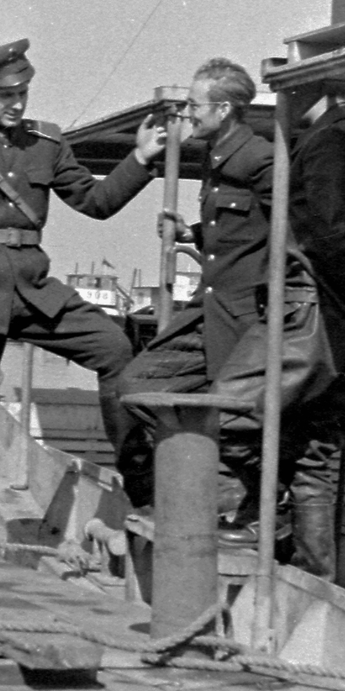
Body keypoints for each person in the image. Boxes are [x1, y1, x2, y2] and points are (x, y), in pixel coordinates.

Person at [0, 39, 166, 564]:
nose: (17, 104)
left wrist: (140, 158)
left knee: (114, 348)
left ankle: (144, 490)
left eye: (23, 92)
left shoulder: (47, 143)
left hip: (33, 285)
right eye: (5, 95)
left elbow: (95, 203)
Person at [207, 82, 345, 579]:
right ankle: (312, 583)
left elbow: (330, 231)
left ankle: (256, 524)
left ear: (322, 92)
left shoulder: (329, 144)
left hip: (310, 319)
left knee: (223, 408)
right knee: (315, 460)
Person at [112, 59, 273, 515]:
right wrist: (194, 234)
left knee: (241, 427)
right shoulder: (216, 155)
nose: (187, 113)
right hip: (208, 311)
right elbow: (236, 228)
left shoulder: (260, 158)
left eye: (193, 105)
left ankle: (253, 509)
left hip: (244, 321)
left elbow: (284, 231)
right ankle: (172, 490)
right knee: (136, 384)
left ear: (222, 109)